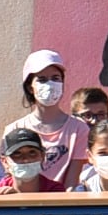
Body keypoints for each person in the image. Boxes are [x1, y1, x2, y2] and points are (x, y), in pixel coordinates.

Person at [14, 49, 94, 186]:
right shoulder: (14, 130)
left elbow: (72, 183)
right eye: (42, 80)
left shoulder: (79, 129)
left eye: (55, 78)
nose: (50, 85)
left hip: (63, 205)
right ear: (30, 87)